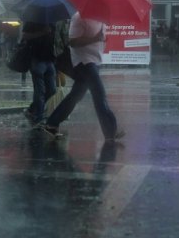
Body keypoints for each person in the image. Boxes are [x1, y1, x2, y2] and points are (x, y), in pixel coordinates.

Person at [42, 11, 123, 142]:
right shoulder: (79, 17)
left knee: (75, 95)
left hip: (95, 61)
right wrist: (95, 39)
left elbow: (100, 38)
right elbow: (73, 42)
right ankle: (111, 132)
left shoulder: (101, 18)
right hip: (84, 62)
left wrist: (102, 40)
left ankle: (52, 123)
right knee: (99, 95)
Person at [21, 21, 57, 126]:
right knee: (40, 91)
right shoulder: (33, 19)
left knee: (51, 90)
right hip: (37, 59)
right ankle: (38, 117)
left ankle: (32, 110)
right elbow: (25, 36)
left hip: (50, 59)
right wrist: (42, 32)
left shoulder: (52, 21)